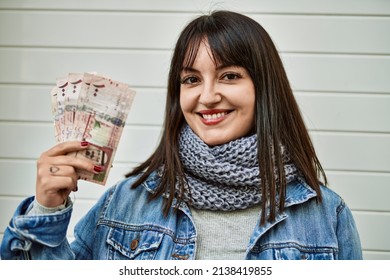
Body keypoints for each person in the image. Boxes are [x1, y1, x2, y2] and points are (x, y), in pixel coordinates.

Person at [1, 10, 362, 260]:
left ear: (263, 88)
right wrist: (46, 209)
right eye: (191, 79)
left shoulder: (327, 215)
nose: (206, 96)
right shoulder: (125, 202)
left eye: (229, 76)